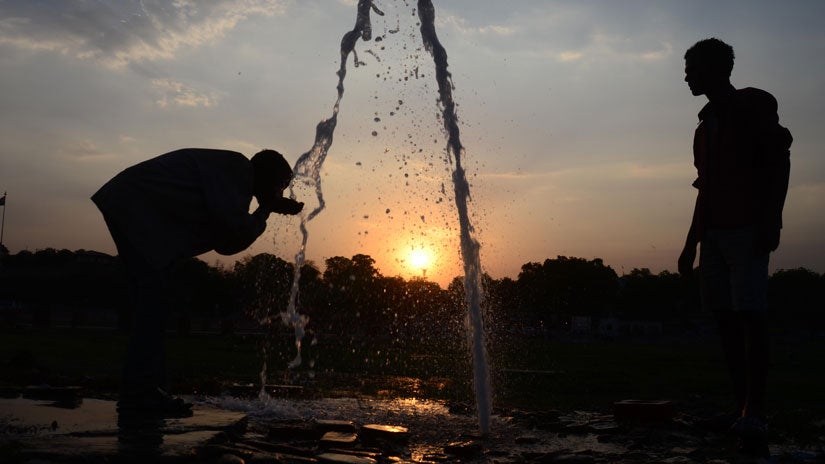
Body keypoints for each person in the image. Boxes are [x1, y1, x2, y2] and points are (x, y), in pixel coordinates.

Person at [93, 148, 303, 416]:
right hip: (136, 203)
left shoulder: (234, 183)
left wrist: (264, 209)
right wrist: (267, 209)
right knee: (153, 302)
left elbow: (228, 243)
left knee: (153, 303)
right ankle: (141, 394)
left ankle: (148, 390)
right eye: (281, 186)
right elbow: (230, 234)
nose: (281, 194)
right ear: (268, 175)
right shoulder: (238, 169)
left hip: (132, 202)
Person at [678, 38, 791, 459]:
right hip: (715, 234)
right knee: (725, 318)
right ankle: (740, 405)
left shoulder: (754, 105)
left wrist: (772, 219)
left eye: (691, 68)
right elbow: (704, 190)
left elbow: (779, 161)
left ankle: (755, 412)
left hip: (748, 228)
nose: (686, 76)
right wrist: (690, 244)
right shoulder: (703, 129)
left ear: (715, 68)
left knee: (750, 315)